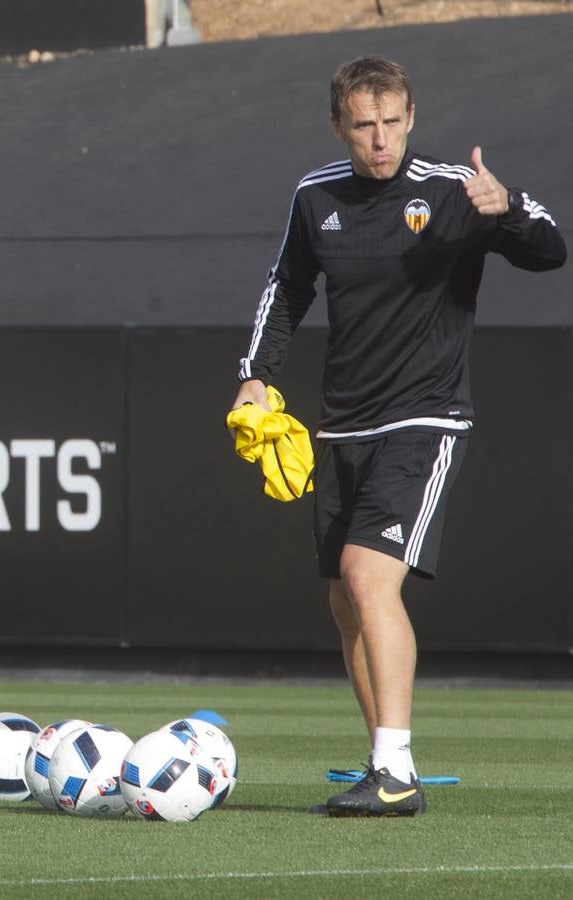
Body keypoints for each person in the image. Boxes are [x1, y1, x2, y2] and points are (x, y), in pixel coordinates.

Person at [232, 56, 565, 816]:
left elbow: (549, 250)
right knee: (344, 605)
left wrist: (505, 207)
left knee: (365, 575)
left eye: (390, 122)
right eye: (362, 125)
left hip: (424, 415)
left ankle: (395, 772)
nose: (378, 139)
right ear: (339, 126)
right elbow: (285, 287)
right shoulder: (315, 196)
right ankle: (382, 760)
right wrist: (255, 372)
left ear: (410, 116)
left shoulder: (455, 191)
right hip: (340, 424)